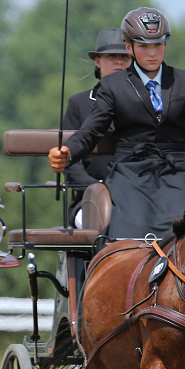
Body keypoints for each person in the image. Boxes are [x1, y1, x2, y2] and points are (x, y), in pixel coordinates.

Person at [49, 7, 185, 239]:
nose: (152, 53)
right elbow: (91, 130)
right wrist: (68, 152)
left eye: (158, 45)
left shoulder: (184, 81)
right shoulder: (114, 86)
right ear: (129, 47)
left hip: (176, 172)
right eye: (143, 46)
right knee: (129, 234)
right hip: (130, 173)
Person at [63, 28, 132, 227]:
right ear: (98, 61)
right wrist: (99, 188)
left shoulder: (145, 102)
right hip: (89, 199)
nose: (119, 62)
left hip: (137, 195)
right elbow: (71, 164)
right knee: (109, 221)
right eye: (112, 56)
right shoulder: (79, 103)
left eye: (125, 57)